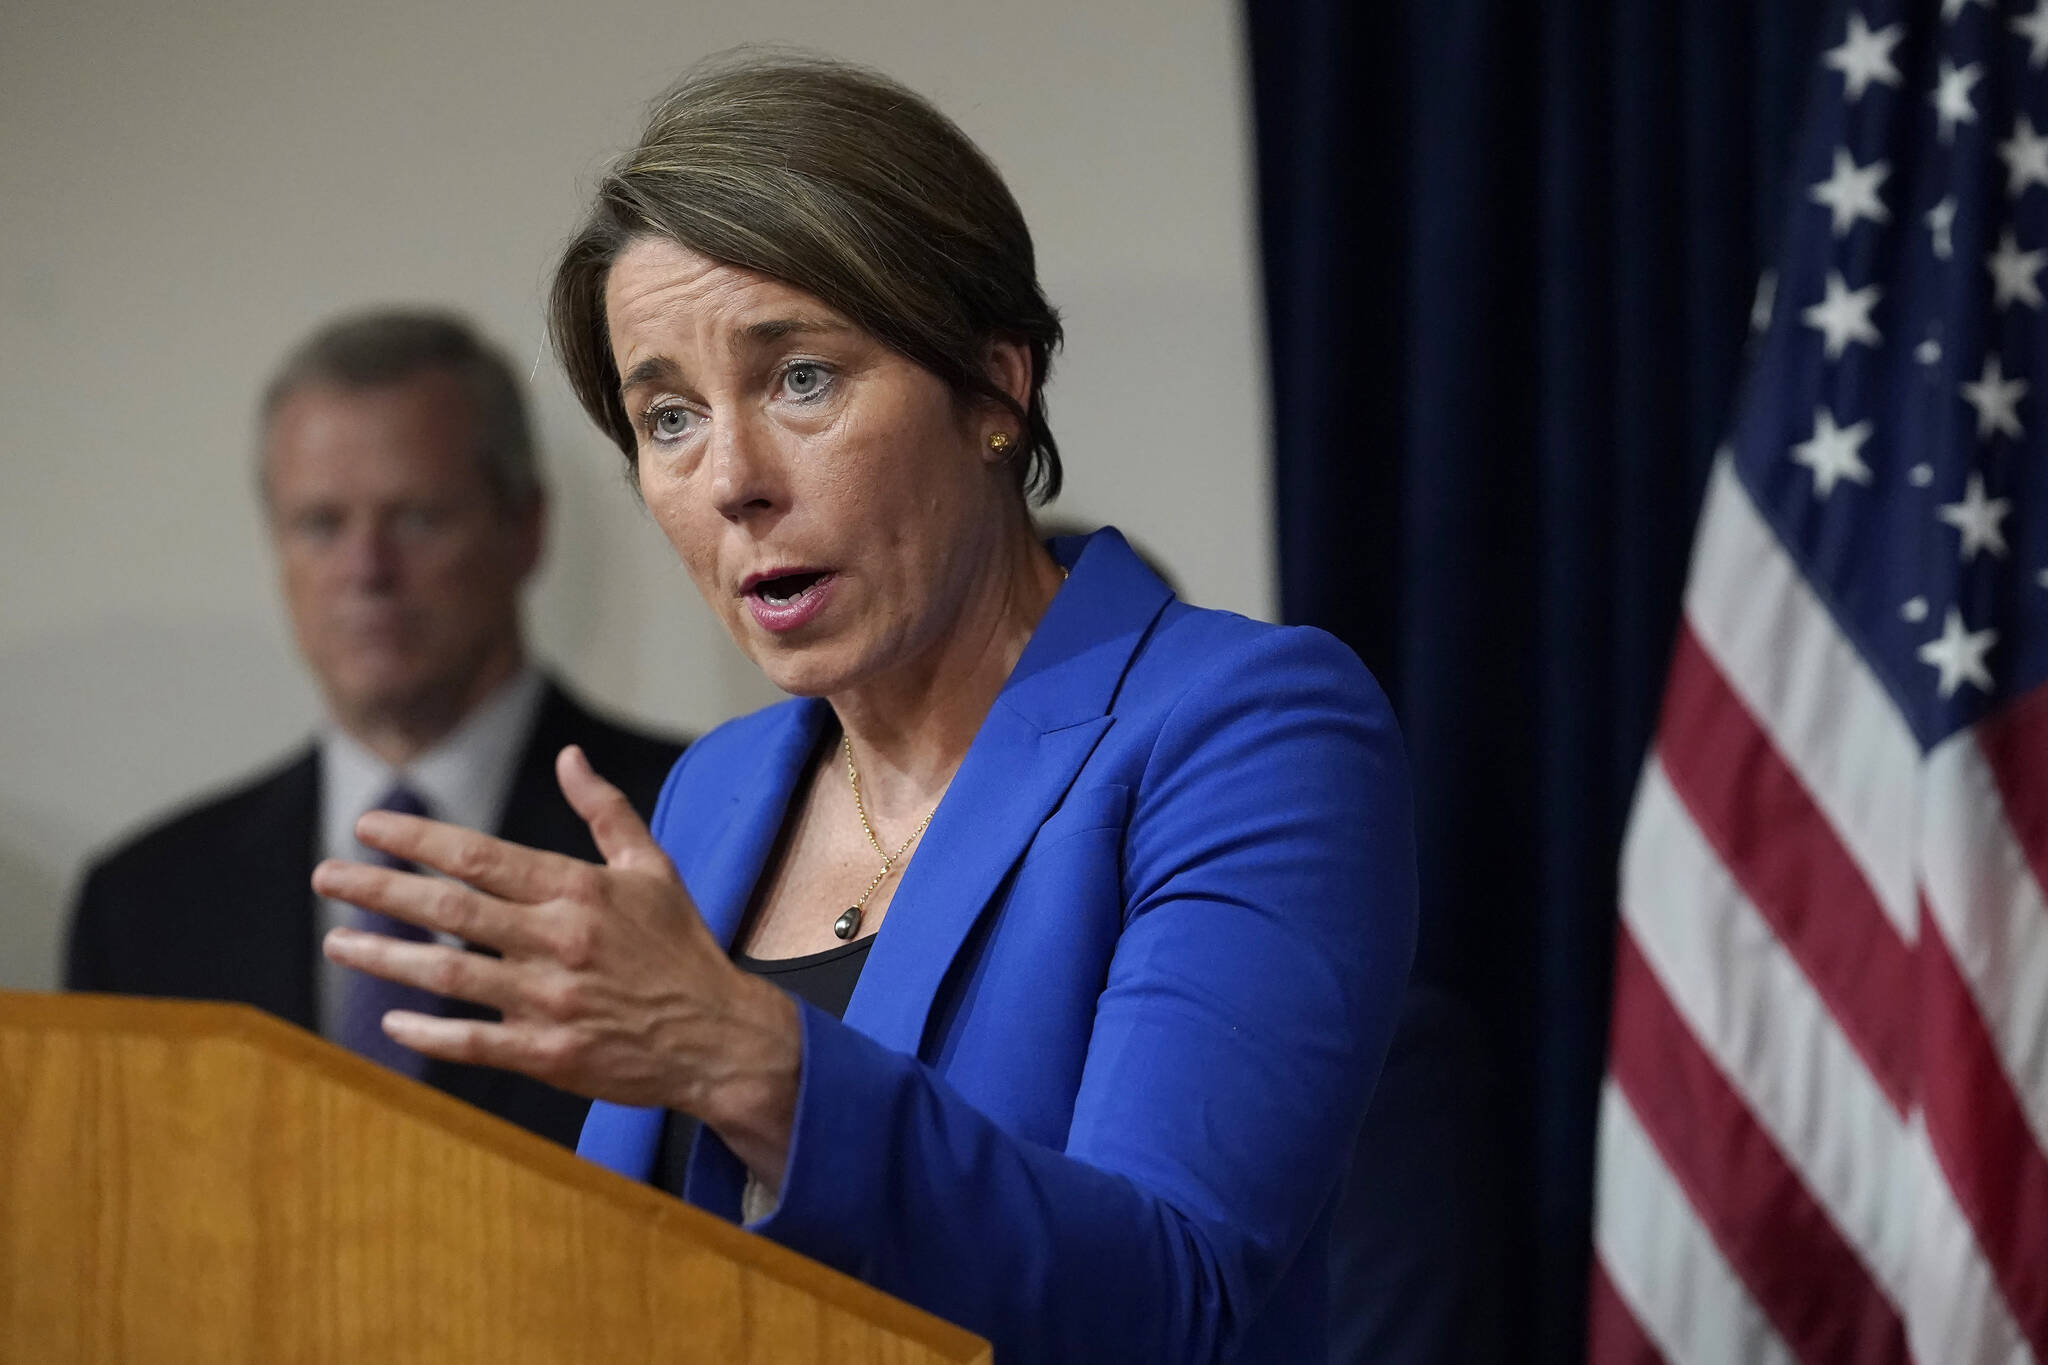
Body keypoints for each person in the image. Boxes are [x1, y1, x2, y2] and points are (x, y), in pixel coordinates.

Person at [314, 57, 1416, 1362]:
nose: (731, 479)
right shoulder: (714, 791)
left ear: (995, 390)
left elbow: (1168, 1301)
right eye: (666, 414)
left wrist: (752, 1062)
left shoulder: (1244, 733)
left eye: (800, 380)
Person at [65, 309, 685, 1150]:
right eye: (321, 524)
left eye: (418, 517)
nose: (366, 570)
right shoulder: (142, 902)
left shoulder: (690, 827)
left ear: (526, 528)